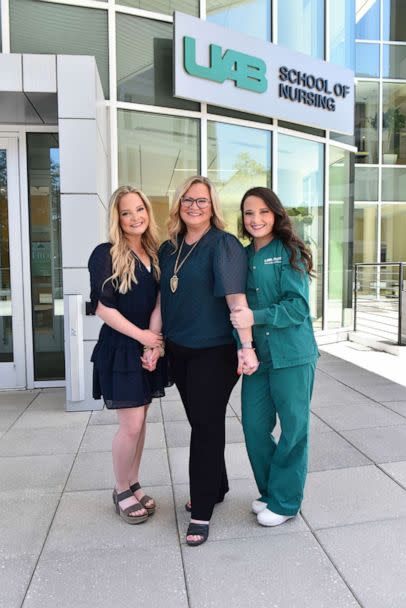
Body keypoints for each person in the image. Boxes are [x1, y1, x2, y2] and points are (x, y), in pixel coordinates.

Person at [149, 176, 258, 546]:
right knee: (201, 420)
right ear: (178, 204)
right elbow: (164, 299)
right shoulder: (169, 248)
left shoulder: (224, 246)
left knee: (205, 427)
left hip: (214, 352)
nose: (194, 206)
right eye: (188, 200)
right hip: (180, 351)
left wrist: (246, 346)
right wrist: (156, 341)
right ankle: (217, 486)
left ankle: (202, 513)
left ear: (213, 208)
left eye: (203, 201)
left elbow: (236, 300)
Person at [230, 186, 319, 527]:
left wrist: (257, 316)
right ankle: (270, 491)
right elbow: (235, 308)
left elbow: (297, 307)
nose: (256, 219)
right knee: (254, 427)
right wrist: (242, 346)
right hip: (257, 358)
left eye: (263, 212)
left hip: (293, 355)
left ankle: (285, 501)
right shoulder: (240, 255)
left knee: (294, 430)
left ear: (276, 214)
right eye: (249, 213)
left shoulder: (290, 251)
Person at [88, 185, 167, 525]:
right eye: (126, 212)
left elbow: (161, 301)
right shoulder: (105, 253)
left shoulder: (156, 253)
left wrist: (153, 344)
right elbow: (103, 309)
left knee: (142, 419)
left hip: (146, 344)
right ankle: (120, 488)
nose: (135, 217)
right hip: (120, 347)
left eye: (140, 209)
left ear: (148, 213)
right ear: (117, 219)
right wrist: (142, 337)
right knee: (131, 425)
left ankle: (134, 481)